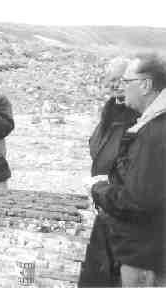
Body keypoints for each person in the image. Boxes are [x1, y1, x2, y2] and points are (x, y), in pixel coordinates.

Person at [89, 53, 166, 286]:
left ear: (145, 85)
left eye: (126, 81)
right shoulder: (150, 124)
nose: (120, 87)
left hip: (145, 253)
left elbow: (138, 200)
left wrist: (99, 189)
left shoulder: (153, 132)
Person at [79, 57, 140, 287]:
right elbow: (96, 146)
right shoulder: (112, 110)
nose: (115, 85)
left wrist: (107, 181)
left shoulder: (138, 115)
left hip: (122, 202)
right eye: (111, 80)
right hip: (106, 201)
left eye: (121, 80)